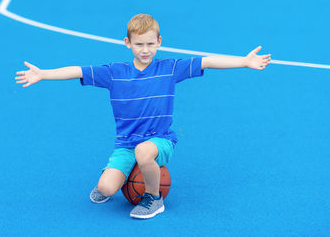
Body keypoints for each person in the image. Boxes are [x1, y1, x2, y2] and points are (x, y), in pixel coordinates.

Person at [15, 14, 271, 219]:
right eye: (139, 44)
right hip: (125, 144)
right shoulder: (114, 72)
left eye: (150, 43)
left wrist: (243, 61)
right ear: (128, 43)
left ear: (159, 41)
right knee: (105, 189)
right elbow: (76, 70)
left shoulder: (170, 68)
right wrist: (44, 74)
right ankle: (123, 174)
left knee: (144, 152)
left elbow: (207, 61)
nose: (145, 49)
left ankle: (154, 199)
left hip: (159, 140)